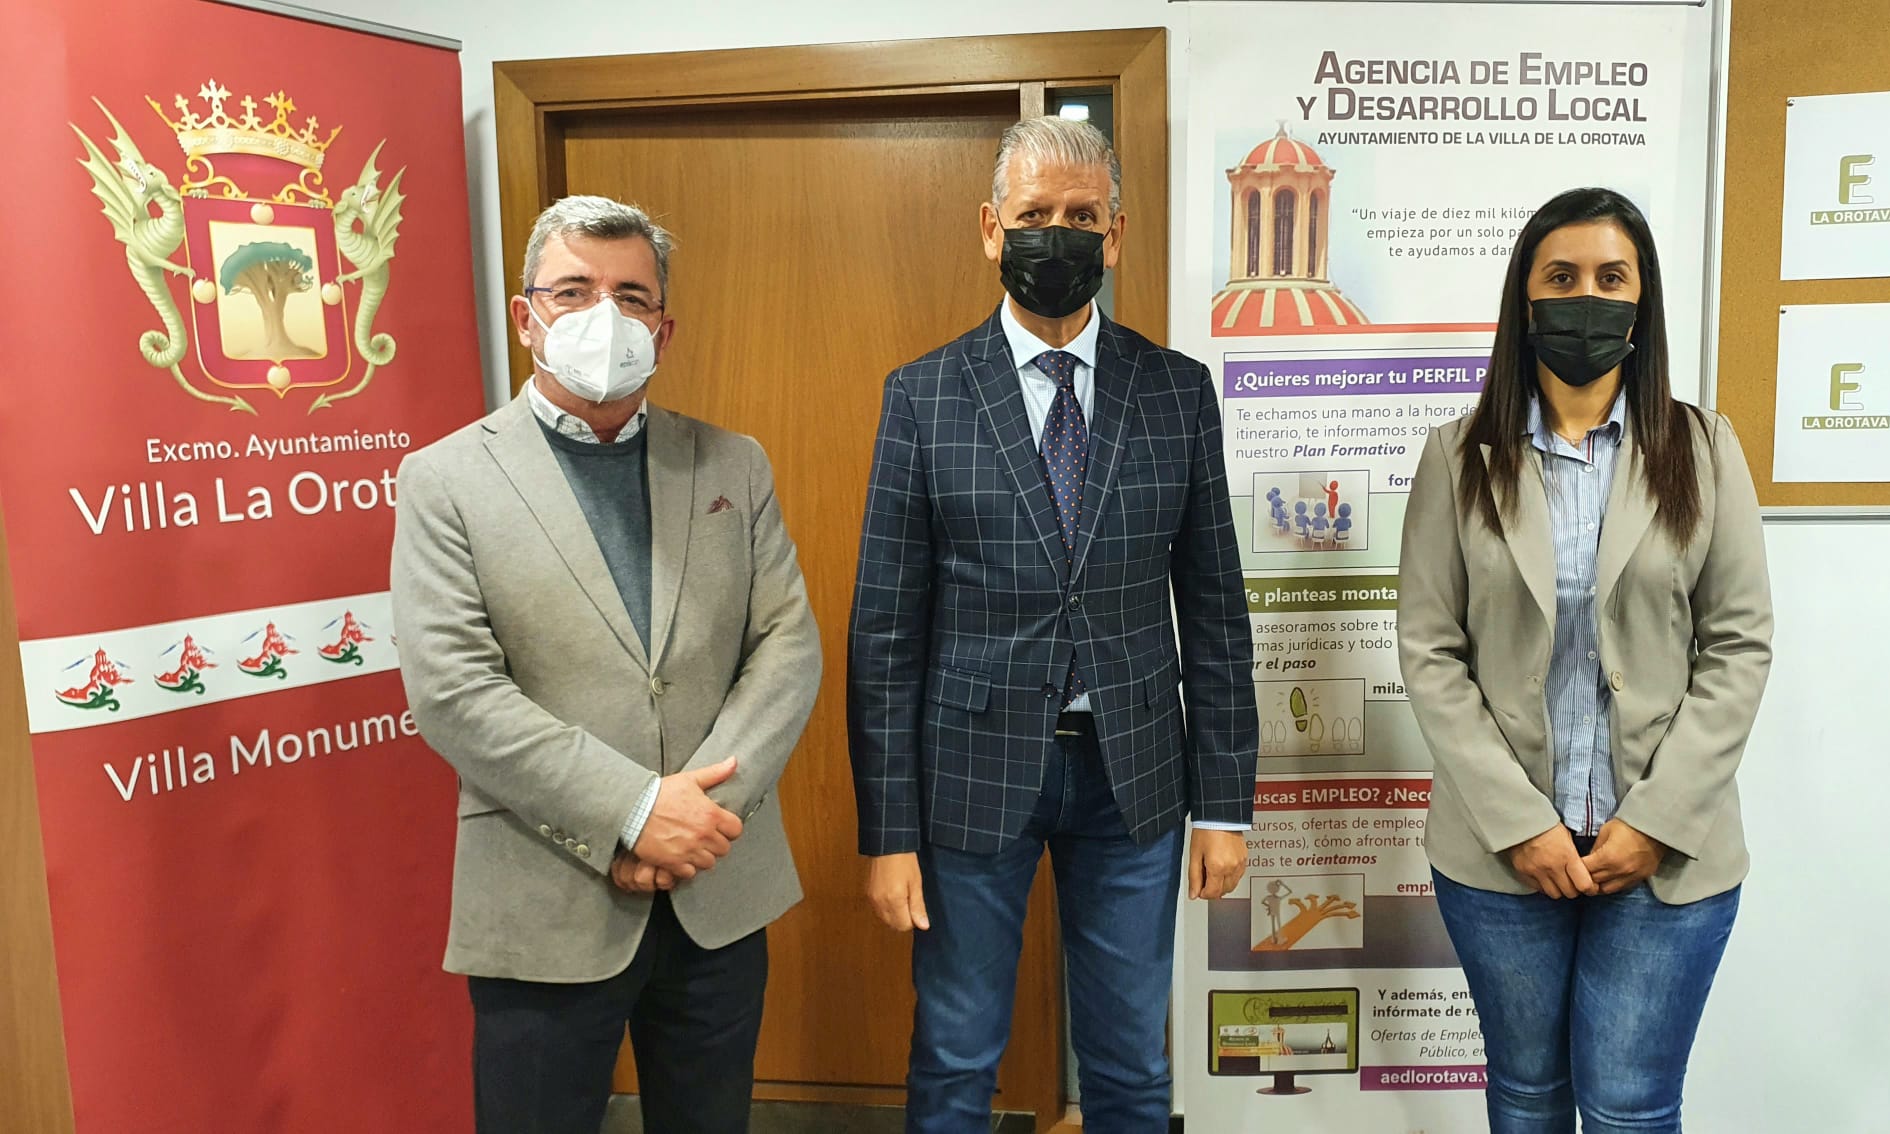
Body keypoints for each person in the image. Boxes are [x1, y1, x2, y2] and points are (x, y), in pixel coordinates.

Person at [847, 116, 1259, 1133]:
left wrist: (1225, 805)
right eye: (1036, 214)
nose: (1058, 235)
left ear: (1115, 236)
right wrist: (887, 833)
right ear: (992, 229)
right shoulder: (923, 396)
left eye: (1082, 216)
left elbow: (1214, 611)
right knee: (955, 1057)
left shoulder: (1176, 392)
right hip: (970, 773)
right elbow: (886, 634)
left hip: (1134, 776)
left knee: (1130, 1063)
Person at [391, 195, 820, 1134]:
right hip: (545, 897)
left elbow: (787, 645)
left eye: (631, 297)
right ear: (525, 316)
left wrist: (695, 819)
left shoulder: (733, 464)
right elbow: (454, 691)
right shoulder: (445, 480)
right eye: (574, 290)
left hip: (717, 888)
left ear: (662, 329)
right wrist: (632, 811)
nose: (605, 315)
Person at [1397, 186, 1772, 1133]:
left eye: (1612, 278)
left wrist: (1657, 819)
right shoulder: (1458, 456)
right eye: (1561, 279)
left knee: (1629, 1110)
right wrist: (1519, 823)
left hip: (1663, 857)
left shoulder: (1704, 450)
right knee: (1526, 1097)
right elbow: (1431, 651)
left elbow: (1738, 645)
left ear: (1641, 303)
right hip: (1503, 856)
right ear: (1526, 301)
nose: (1586, 299)